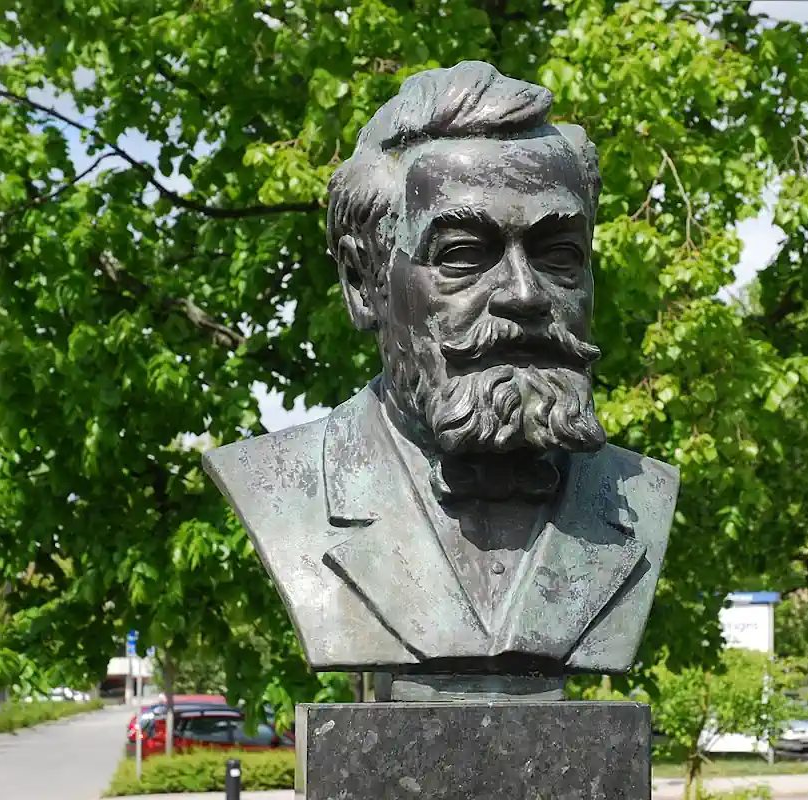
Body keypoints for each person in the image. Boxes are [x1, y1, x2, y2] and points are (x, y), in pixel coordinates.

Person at [202, 61, 680, 696]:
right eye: (462, 254)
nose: (524, 293)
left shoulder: (641, 496)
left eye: (558, 255)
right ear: (363, 283)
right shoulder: (282, 488)